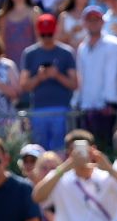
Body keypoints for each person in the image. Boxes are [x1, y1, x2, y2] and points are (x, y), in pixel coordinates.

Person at [19, 14, 78, 150]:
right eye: (43, 34)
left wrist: (56, 75)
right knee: (39, 151)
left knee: (60, 150)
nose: (47, 38)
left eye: (49, 34)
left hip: (61, 109)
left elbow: (74, 84)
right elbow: (24, 85)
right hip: (38, 110)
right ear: (38, 32)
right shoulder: (30, 53)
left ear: (56, 30)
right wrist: (39, 78)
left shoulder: (66, 53)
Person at [72, 6, 117, 143]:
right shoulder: (82, 47)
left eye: (96, 19)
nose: (93, 23)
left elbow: (112, 75)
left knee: (105, 147)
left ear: (102, 22)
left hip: (105, 107)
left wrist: (110, 103)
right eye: (89, 20)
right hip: (86, 106)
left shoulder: (113, 44)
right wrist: (78, 101)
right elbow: (80, 75)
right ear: (84, 23)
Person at [0, 0, 37, 67]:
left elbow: (38, 37)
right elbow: (1, 39)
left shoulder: (34, 12)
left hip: (30, 58)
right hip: (10, 59)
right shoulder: (3, 15)